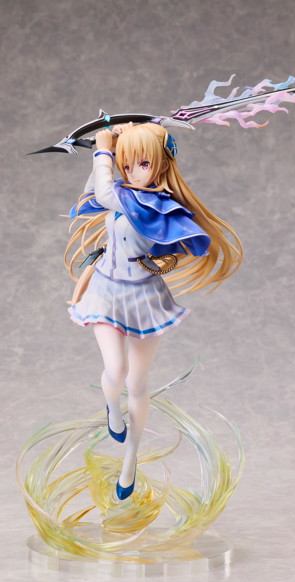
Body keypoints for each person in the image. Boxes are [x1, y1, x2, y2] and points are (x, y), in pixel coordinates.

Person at [65, 122, 242, 500]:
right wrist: (104, 151)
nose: (132, 172)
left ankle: (130, 461)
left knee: (138, 383)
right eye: (126, 165)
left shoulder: (157, 206)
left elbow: (113, 197)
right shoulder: (121, 194)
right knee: (115, 370)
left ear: (161, 165)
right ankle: (112, 410)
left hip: (144, 298)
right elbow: (96, 191)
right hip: (106, 292)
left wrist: (105, 148)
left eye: (142, 164)